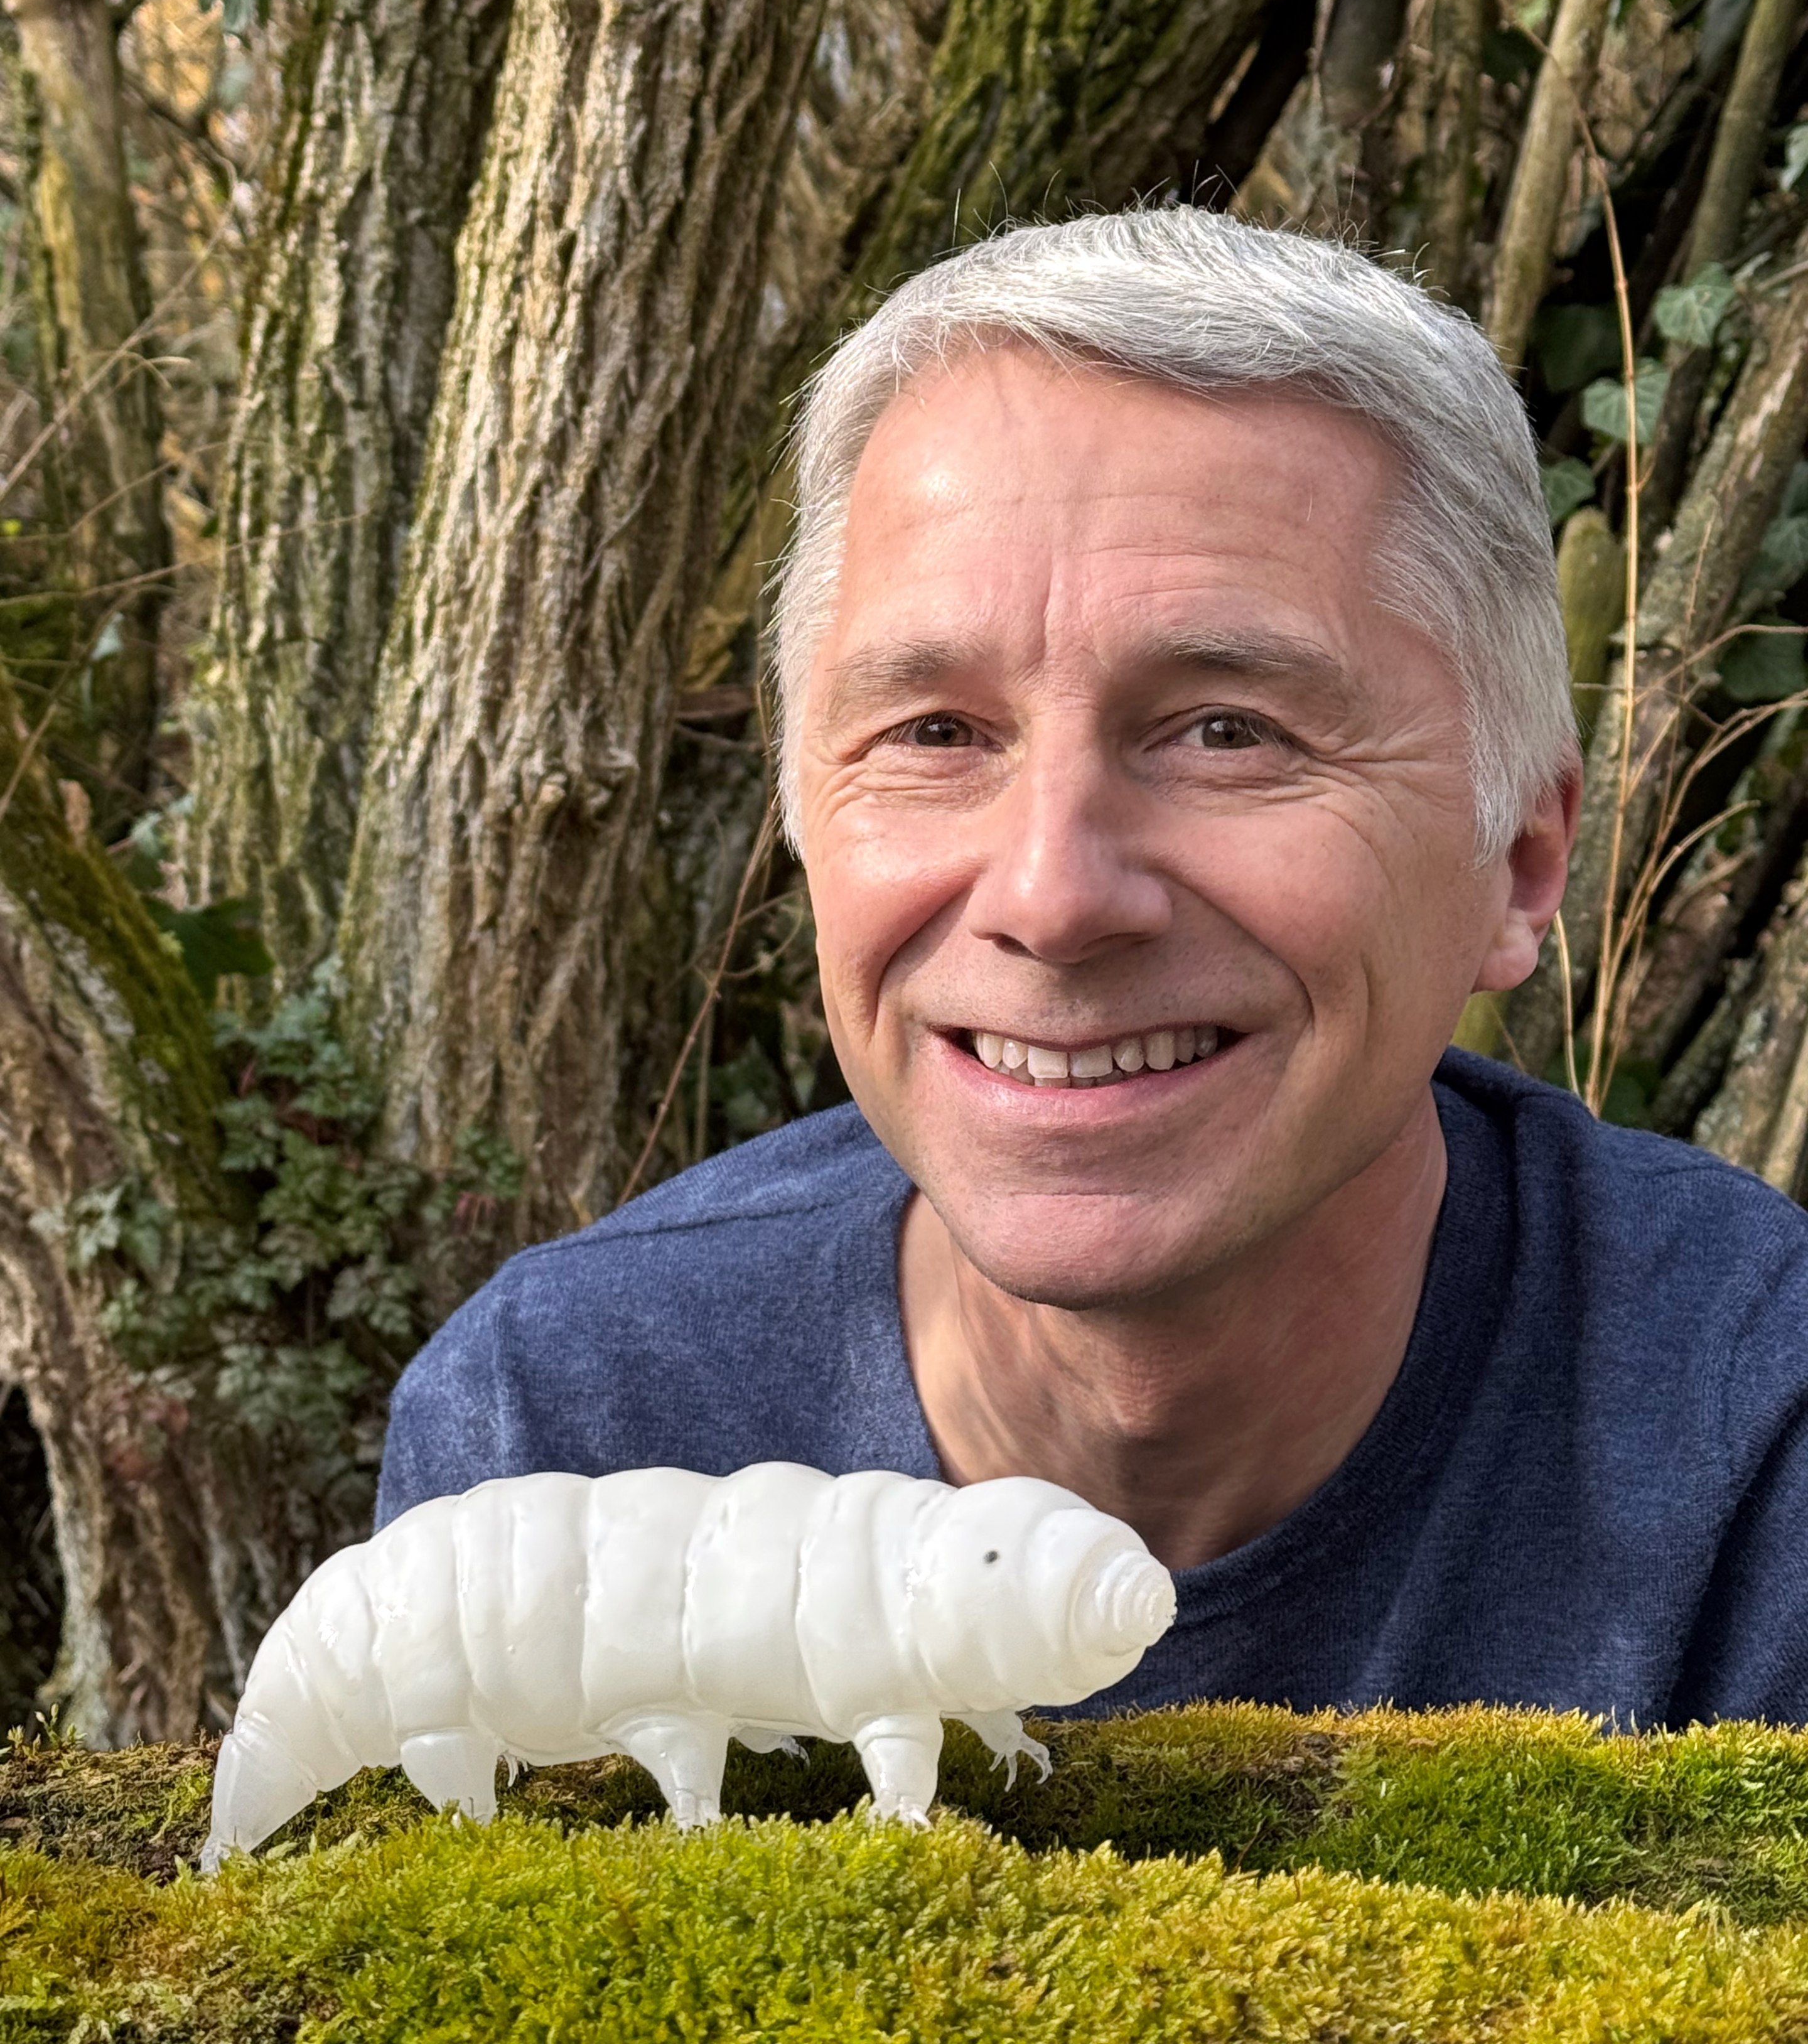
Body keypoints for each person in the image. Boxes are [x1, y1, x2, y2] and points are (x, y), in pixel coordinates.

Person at [377, 208, 1808, 1726]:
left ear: (1519, 859)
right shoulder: (571, 1442)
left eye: (1230, 733)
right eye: (935, 734)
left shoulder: (1757, 1460)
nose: (1054, 897)